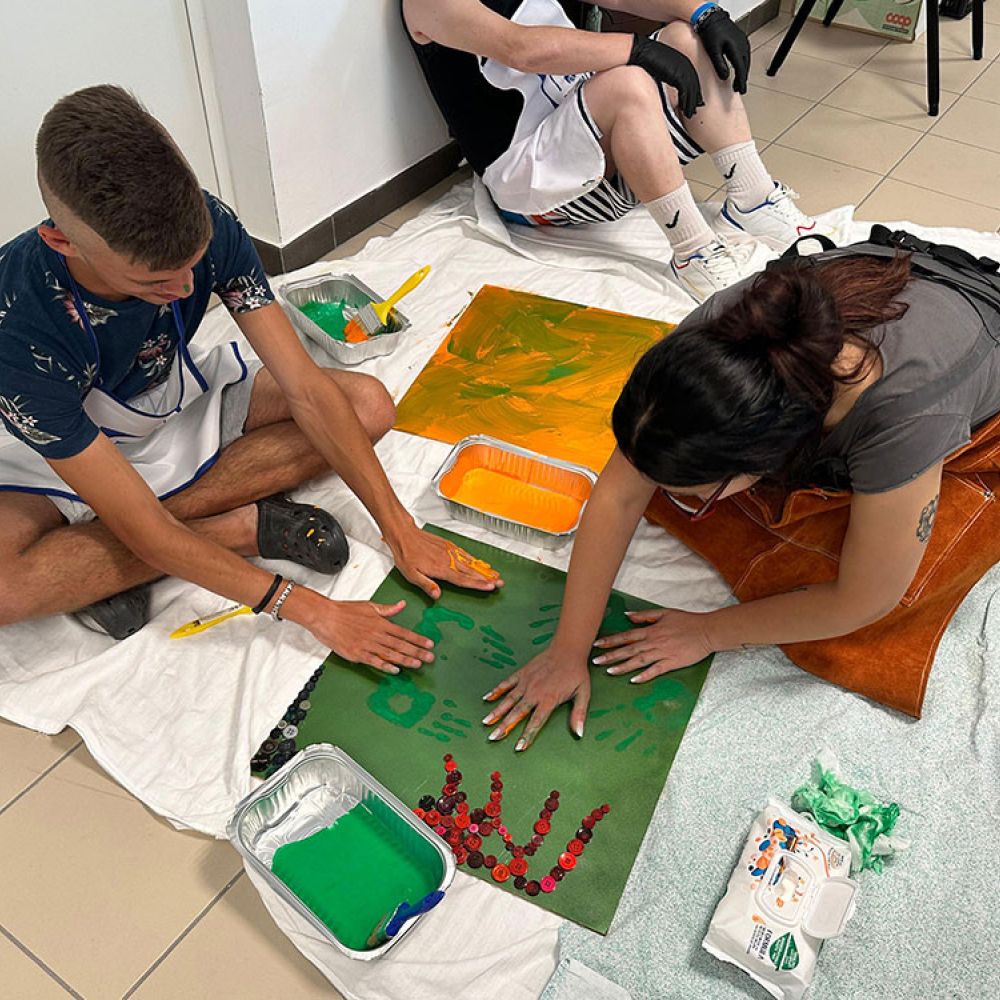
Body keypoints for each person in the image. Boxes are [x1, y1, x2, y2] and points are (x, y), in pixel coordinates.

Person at [0, 85, 501, 663]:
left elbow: (306, 389)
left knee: (366, 406)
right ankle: (240, 529)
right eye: (154, 283)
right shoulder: (18, 331)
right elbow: (145, 530)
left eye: (193, 267)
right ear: (62, 241)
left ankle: (113, 558)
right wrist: (313, 610)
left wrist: (401, 530)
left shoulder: (210, 221)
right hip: (62, 450)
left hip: (173, 398)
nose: (185, 289)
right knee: (8, 589)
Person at [481, 242, 1000, 746]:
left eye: (695, 495)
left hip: (974, 322)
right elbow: (618, 494)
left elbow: (863, 600)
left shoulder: (904, 415)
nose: (671, 498)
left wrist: (709, 632)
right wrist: (567, 649)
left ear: (768, 463)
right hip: (898, 282)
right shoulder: (717, 336)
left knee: (880, 604)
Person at [402, 0, 823, 302]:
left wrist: (704, 12)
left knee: (687, 37)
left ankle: (753, 200)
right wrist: (637, 50)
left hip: (596, 142)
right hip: (534, 185)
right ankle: (693, 252)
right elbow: (521, 49)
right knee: (628, 83)